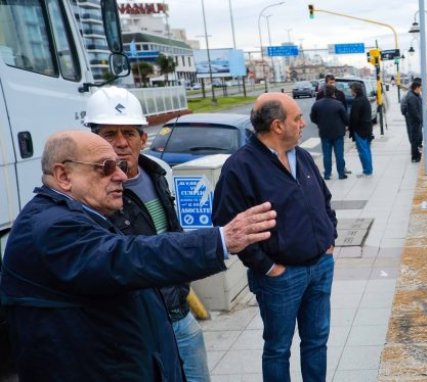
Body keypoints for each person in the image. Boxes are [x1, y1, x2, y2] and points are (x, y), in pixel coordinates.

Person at [0, 130, 276, 381]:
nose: (121, 176)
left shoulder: (83, 214)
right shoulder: (50, 226)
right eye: (106, 167)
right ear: (63, 176)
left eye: (119, 166)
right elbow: (128, 258)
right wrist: (220, 240)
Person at [86, 87, 210, 381]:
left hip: (177, 313)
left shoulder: (158, 172)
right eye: (109, 134)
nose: (121, 143)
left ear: (143, 138)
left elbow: (172, 234)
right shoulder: (90, 190)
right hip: (133, 324)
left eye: (129, 133)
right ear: (94, 139)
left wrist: (181, 288)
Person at [212, 92, 337, 382]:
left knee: (317, 341)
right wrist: (268, 267)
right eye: (297, 118)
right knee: (278, 349)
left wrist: (329, 239)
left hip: (320, 266)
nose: (303, 124)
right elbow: (227, 225)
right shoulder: (240, 167)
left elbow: (324, 199)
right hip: (280, 278)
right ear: (278, 126)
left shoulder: (302, 156)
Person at [311, 84, 349, 180]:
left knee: (327, 155)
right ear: (333, 93)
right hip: (338, 132)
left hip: (324, 132)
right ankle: (341, 174)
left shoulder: (317, 104)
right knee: (339, 154)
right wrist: (345, 125)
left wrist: (319, 123)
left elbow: (312, 118)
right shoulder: (338, 104)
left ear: (324, 93)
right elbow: (345, 118)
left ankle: (327, 174)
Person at [349, 81, 374, 176]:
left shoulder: (357, 101)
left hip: (360, 129)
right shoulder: (365, 99)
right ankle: (369, 169)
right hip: (367, 128)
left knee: (363, 151)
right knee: (367, 149)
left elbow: (354, 118)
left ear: (355, 90)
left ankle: (367, 170)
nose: (350, 91)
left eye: (351, 89)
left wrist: (351, 128)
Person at [403, 80, 424, 163]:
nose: (421, 90)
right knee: (415, 140)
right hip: (415, 122)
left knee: (418, 139)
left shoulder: (416, 95)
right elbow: (414, 111)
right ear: (416, 88)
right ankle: (415, 157)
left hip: (417, 122)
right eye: (420, 88)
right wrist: (420, 119)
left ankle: (418, 154)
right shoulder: (412, 97)